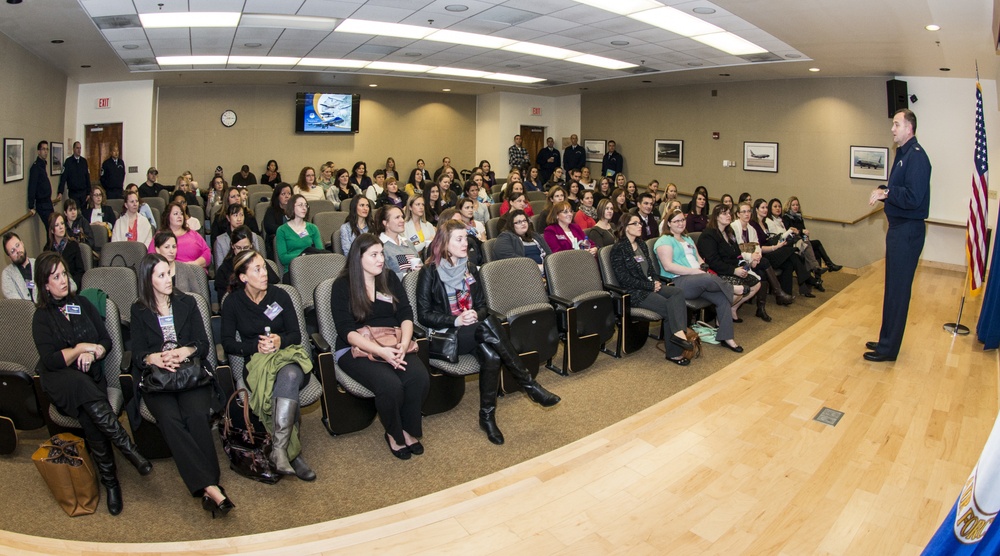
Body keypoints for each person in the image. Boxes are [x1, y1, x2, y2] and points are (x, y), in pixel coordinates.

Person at [417, 220, 559, 445]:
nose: (466, 243)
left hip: (474, 330)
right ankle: (529, 384)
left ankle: (487, 417)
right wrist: (456, 319)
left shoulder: (470, 268)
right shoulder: (430, 271)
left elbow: (483, 305)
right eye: (460, 239)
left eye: (466, 238)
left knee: (492, 355)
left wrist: (475, 313)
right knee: (489, 325)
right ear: (444, 242)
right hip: (448, 336)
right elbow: (424, 315)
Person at [32, 252, 152, 516]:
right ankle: (128, 449)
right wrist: (78, 349)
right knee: (78, 385)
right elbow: (51, 360)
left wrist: (94, 351)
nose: (63, 280)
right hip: (60, 381)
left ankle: (111, 482)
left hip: (89, 381)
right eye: (55, 277)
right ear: (44, 285)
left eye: (64, 273)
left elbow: (106, 340)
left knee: (89, 412)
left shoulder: (84, 304)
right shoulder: (41, 317)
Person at [130, 253, 233, 517]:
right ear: (148, 280)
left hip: (189, 374)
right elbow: (138, 353)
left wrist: (183, 352)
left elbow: (203, 343)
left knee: (196, 415)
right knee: (170, 420)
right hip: (159, 380)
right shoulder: (139, 310)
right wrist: (155, 358)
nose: (169, 279)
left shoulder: (187, 302)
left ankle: (207, 485)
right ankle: (212, 485)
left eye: (169, 273)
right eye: (161, 275)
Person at [330, 234, 429, 458]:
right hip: (356, 347)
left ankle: (407, 428)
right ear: (358, 258)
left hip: (392, 341)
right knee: (390, 385)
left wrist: (404, 344)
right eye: (374, 255)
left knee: (418, 378)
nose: (381, 259)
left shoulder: (390, 278)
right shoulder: (342, 286)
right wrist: (381, 352)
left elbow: (405, 314)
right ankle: (394, 433)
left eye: (382, 253)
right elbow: (346, 331)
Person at [220, 250, 316, 481]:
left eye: (264, 267)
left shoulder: (280, 296)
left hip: (287, 356)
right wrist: (255, 347)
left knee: (290, 376)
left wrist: (279, 340)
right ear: (243, 277)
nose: (265, 273)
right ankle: (292, 454)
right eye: (257, 269)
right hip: (257, 362)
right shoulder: (233, 302)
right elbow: (228, 343)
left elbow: (296, 335)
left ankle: (281, 449)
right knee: (284, 383)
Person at [865, 108, 931, 362]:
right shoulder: (903, 154)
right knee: (892, 289)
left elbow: (914, 197)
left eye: (896, 124)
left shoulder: (917, 158)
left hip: (907, 231)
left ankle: (888, 350)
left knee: (898, 291)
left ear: (909, 128)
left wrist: (888, 194)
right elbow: (898, 188)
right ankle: (885, 340)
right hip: (898, 230)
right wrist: (884, 189)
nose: (892, 129)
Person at [610, 215, 698, 365]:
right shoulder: (618, 249)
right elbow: (624, 279)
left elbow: (650, 268)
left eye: (640, 223)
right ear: (625, 227)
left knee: (677, 293)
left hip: (650, 286)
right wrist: (650, 286)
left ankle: (678, 333)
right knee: (670, 306)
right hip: (634, 293)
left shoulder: (642, 245)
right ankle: (674, 352)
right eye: (635, 223)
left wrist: (656, 280)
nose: (640, 226)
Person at [654, 210, 741, 355]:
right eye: (676, 221)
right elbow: (668, 266)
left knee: (722, 297)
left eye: (682, 220)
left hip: (699, 281)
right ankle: (732, 289)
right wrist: (696, 272)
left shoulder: (687, 239)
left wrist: (702, 269)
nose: (681, 223)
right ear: (668, 223)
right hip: (678, 282)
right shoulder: (664, 241)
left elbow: (700, 260)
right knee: (708, 279)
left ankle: (727, 337)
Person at [695, 205, 761, 328]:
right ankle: (720, 317)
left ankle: (732, 309)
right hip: (716, 272)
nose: (728, 216)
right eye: (724, 213)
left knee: (756, 284)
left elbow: (737, 254)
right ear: (716, 217)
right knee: (741, 288)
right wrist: (734, 271)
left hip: (731, 269)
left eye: (729, 213)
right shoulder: (709, 235)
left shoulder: (729, 232)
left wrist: (743, 267)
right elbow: (713, 262)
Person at [729, 202, 783, 321]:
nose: (747, 214)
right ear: (738, 214)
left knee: (762, 272)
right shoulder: (733, 227)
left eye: (749, 211)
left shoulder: (751, 229)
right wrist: (751, 257)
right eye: (744, 212)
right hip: (738, 262)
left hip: (751, 260)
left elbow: (757, 246)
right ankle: (778, 292)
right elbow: (736, 250)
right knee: (764, 262)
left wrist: (756, 257)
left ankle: (761, 308)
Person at [783, 196, 842, 271]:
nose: (795, 207)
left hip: (803, 240)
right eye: (793, 205)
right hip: (795, 242)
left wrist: (805, 236)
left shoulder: (799, 217)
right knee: (816, 244)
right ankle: (827, 266)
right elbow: (791, 231)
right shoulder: (786, 217)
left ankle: (820, 273)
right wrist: (802, 231)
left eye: (797, 205)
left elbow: (803, 232)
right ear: (789, 206)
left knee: (816, 249)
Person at [152, 202, 211, 270]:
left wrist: (196, 263)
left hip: (195, 272)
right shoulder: (160, 235)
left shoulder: (193, 234)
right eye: (176, 214)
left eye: (181, 213)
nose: (180, 216)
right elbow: (151, 257)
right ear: (168, 217)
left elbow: (207, 252)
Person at [276, 194, 322, 274]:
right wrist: (303, 255)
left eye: (306, 205)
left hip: (311, 268)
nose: (304, 208)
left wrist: (306, 256)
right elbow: (283, 258)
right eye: (300, 205)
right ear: (292, 207)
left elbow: (320, 252)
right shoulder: (282, 230)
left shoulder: (312, 228)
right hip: (292, 270)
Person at [378, 206, 423, 279]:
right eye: (397, 217)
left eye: (402, 217)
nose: (402, 220)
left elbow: (421, 265)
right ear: (386, 223)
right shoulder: (380, 246)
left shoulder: (407, 243)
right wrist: (409, 276)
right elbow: (384, 276)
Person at [44, 213, 85, 290]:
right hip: (54, 288)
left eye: (62, 223)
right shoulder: (47, 249)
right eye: (57, 225)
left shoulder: (73, 245)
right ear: (52, 230)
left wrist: (70, 286)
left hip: (72, 287)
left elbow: (80, 272)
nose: (61, 227)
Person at [2, 232, 38, 301]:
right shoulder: (7, 274)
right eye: (12, 251)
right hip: (25, 311)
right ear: (9, 257)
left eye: (17, 245)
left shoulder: (38, 263)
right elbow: (17, 303)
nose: (17, 251)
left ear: (22, 243)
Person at [28, 140, 54, 231]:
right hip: (42, 204)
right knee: (50, 229)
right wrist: (31, 206)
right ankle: (49, 245)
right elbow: (32, 187)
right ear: (38, 151)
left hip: (48, 202)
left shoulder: (43, 165)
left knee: (53, 228)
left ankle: (51, 245)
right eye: (43, 149)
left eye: (47, 149)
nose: (46, 151)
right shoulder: (36, 167)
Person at [262, 182, 291, 260]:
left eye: (289, 193)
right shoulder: (271, 210)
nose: (287, 196)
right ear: (277, 196)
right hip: (277, 243)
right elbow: (269, 227)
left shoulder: (295, 210)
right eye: (283, 194)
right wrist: (289, 230)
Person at [57, 141, 90, 209]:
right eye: (77, 148)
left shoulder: (84, 161)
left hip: (83, 193)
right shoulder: (68, 162)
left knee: (84, 212)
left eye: (80, 148)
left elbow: (87, 178)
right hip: (73, 193)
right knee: (75, 211)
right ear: (73, 149)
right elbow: (63, 178)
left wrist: (89, 193)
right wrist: (60, 192)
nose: (79, 150)